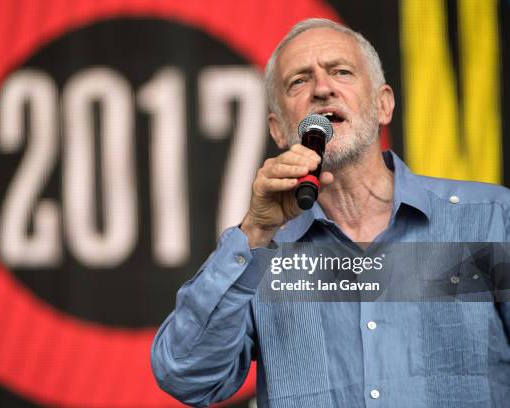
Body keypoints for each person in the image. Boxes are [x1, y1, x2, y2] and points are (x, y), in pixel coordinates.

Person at [151, 18, 510, 407]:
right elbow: (186, 376)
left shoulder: (491, 219)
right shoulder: (259, 253)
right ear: (277, 129)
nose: (323, 88)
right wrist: (254, 231)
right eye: (299, 82)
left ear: (383, 104)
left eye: (341, 72)